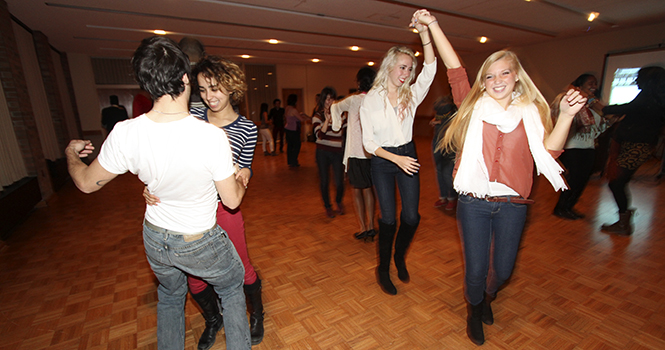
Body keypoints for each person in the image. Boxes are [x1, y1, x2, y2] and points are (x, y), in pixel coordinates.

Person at [413, 9, 586, 345]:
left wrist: (565, 115)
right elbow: (455, 70)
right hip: (474, 204)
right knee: (475, 270)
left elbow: (549, 152)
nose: (496, 81)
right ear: (483, 81)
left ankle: (488, 298)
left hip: (513, 204)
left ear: (516, 76)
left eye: (503, 73)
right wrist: (433, 25)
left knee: (502, 271)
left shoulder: (531, 113)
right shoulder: (472, 105)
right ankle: (474, 310)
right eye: (489, 76)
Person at [65, 36, 250, 350]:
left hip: (156, 238)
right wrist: (242, 179)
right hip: (198, 239)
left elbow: (84, 182)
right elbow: (231, 200)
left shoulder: (125, 133)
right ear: (185, 78)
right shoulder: (210, 136)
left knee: (169, 297)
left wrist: (71, 153)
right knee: (231, 290)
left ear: (146, 84)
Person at [144, 55, 265, 348]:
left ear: (231, 87)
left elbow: (245, 166)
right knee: (194, 279)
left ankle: (257, 313)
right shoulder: (191, 117)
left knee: (243, 267)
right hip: (188, 209)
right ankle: (214, 319)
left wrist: (244, 174)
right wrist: (150, 186)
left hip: (225, 208)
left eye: (216, 88)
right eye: (203, 89)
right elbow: (167, 157)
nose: (210, 97)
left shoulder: (247, 128)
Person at [359, 16, 436, 296]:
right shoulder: (371, 100)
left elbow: (431, 68)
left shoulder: (411, 95)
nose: (406, 73)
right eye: (402, 67)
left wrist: (425, 33)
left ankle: (399, 256)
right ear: (389, 66)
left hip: (408, 154)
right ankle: (382, 268)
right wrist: (396, 159)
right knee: (389, 219)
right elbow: (369, 144)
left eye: (409, 68)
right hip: (383, 160)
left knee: (412, 217)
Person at [601, 66, 665, 235]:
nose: (636, 81)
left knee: (617, 182)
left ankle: (624, 222)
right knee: (617, 182)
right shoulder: (649, 97)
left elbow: (624, 109)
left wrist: (599, 105)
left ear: (649, 81)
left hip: (636, 147)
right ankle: (624, 219)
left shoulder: (650, 100)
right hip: (629, 143)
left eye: (639, 78)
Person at [551, 74, 612, 220]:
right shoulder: (568, 100)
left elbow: (602, 124)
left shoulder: (595, 105)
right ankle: (560, 208)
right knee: (574, 178)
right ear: (579, 86)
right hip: (571, 146)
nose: (594, 86)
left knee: (583, 179)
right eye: (590, 83)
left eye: (595, 83)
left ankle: (569, 207)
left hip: (588, 147)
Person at [332, 66, 378, 241]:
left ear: (359, 82)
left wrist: (336, 125)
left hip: (355, 153)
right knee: (368, 189)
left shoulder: (352, 100)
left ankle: (363, 227)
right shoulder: (376, 100)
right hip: (372, 152)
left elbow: (335, 107)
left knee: (357, 190)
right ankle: (371, 227)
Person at [312, 87, 345, 218]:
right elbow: (319, 134)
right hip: (323, 152)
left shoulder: (341, 114)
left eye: (331, 98)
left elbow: (344, 132)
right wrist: (327, 120)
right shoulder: (317, 115)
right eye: (326, 98)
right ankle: (328, 206)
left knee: (339, 181)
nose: (328, 101)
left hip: (337, 151)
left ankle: (338, 201)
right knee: (324, 181)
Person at [430, 95, 458, 210]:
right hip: (437, 142)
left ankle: (452, 198)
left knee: (447, 172)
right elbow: (437, 118)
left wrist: (440, 121)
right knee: (439, 171)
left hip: (449, 144)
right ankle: (443, 197)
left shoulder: (454, 110)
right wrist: (436, 120)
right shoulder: (441, 111)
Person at [284, 94, 306, 167]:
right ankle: (294, 161)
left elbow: (291, 117)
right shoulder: (293, 110)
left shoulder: (287, 108)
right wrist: (305, 116)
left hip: (287, 129)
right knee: (297, 145)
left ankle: (290, 161)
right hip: (293, 130)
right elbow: (301, 119)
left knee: (290, 146)